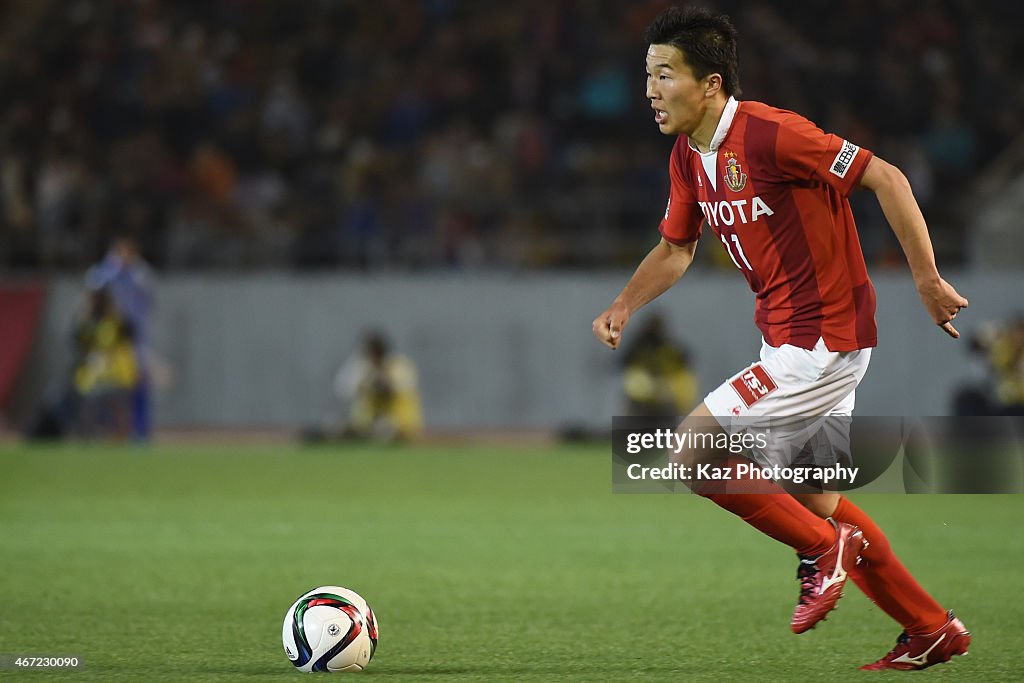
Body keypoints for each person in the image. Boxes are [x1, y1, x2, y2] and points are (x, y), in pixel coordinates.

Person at [591, 7, 971, 671]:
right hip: (796, 342)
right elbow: (676, 249)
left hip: (819, 339)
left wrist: (928, 280)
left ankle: (823, 551)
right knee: (817, 496)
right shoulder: (689, 154)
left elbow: (886, 176)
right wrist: (624, 303)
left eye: (663, 75)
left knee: (691, 452)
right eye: (646, 75)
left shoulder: (771, 133)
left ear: (710, 83)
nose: (649, 89)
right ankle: (931, 625)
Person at [85, 237, 156, 441]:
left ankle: (141, 432)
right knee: (106, 386)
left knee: (139, 383)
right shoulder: (102, 274)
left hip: (134, 337)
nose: (127, 257)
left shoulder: (140, 274)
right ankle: (108, 432)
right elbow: (90, 300)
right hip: (109, 337)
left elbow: (148, 303)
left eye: (130, 253)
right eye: (123, 253)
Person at [332, 331, 423, 442]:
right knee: (336, 427)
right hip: (367, 422)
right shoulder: (362, 367)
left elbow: (400, 388)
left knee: (384, 428)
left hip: (400, 422)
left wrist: (383, 382)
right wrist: (364, 381)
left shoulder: (399, 366)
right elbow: (344, 390)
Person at [621, 314, 697, 416]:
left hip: (664, 402)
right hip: (640, 401)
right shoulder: (638, 349)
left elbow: (685, 362)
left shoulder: (670, 351)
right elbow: (622, 362)